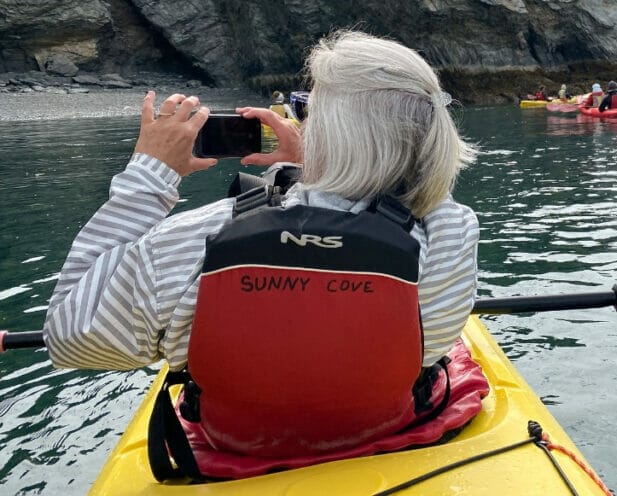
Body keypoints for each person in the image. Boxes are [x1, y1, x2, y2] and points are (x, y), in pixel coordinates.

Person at [44, 30, 480, 469]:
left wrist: (148, 179)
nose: (302, 123)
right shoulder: (451, 233)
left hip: (235, 448)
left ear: (331, 132)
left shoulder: (195, 240)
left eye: (309, 112)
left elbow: (68, 337)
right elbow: (385, 205)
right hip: (383, 430)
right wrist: (313, 171)